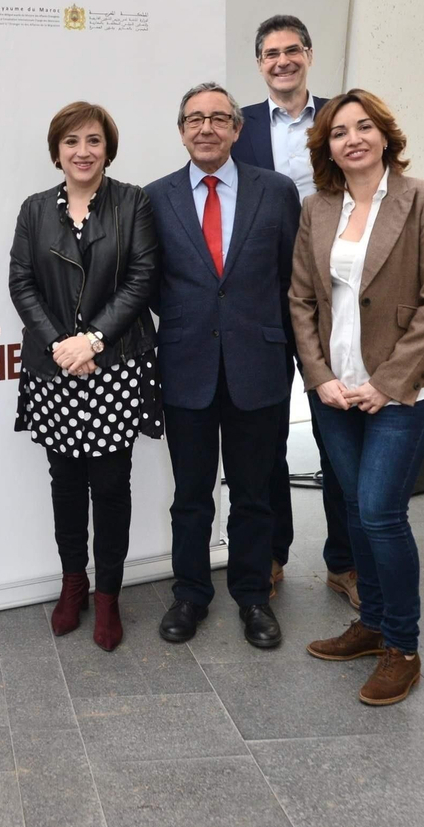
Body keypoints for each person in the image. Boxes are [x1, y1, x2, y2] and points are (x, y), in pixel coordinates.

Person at [290, 88, 424, 706]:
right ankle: (373, 624)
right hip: (335, 388)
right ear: (327, 147)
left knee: (382, 511)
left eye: (363, 127)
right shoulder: (318, 208)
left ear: (385, 135)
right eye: (339, 132)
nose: (352, 139)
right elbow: (301, 299)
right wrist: (319, 376)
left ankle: (403, 648)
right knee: (355, 508)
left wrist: (385, 383)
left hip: (404, 390)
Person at [146, 83, 301, 649]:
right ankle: (190, 594)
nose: (205, 128)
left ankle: (254, 596)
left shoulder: (276, 191)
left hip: (258, 365)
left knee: (254, 493)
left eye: (218, 118)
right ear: (181, 131)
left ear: (237, 129)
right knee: (191, 494)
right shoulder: (155, 198)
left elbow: (292, 280)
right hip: (185, 366)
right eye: (194, 119)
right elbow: (151, 282)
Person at [8, 102, 161, 652]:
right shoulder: (34, 210)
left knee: (111, 486)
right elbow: (21, 282)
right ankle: (73, 583)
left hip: (114, 365)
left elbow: (143, 276)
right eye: (71, 141)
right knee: (66, 483)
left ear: (108, 149)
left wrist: (92, 340)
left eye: (93, 140)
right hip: (54, 368)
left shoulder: (133, 202)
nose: (83, 151)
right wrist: (61, 345)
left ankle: (109, 595)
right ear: (57, 151)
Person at [235, 14, 358, 608]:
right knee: (265, 435)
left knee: (339, 434)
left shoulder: (342, 118)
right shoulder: (239, 125)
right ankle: (271, 552)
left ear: (308, 54)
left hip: (333, 295)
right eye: (270, 53)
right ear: (259, 63)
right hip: (260, 297)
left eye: (292, 50)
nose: (282, 61)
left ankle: (345, 562)